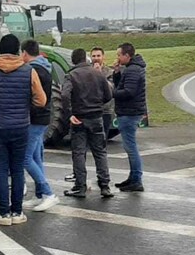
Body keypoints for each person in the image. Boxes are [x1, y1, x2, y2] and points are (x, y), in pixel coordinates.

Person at [0, 32, 46, 225]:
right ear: (17, 51)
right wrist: (25, 108)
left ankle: (3, 213)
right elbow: (41, 100)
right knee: (18, 170)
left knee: (1, 169)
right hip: (21, 126)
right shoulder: (29, 70)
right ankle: (17, 212)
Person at [61, 48, 114, 198]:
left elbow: (65, 94)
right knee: (100, 152)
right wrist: (98, 104)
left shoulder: (71, 75)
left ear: (73, 60)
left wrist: (70, 113)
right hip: (97, 116)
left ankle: (80, 186)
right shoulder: (98, 73)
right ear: (87, 59)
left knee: (79, 152)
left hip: (79, 117)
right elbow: (109, 95)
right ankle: (105, 185)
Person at [21, 39, 56, 212]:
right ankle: (39, 194)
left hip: (35, 118)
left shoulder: (33, 70)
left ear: (25, 53)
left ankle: (49, 193)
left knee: (25, 158)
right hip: (43, 117)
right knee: (35, 157)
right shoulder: (45, 67)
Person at [112, 42, 147, 193]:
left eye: (119, 55)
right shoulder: (131, 69)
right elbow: (123, 85)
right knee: (129, 146)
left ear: (127, 55)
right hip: (130, 111)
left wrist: (110, 93)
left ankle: (136, 180)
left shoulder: (133, 70)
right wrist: (117, 73)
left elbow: (128, 92)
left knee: (130, 147)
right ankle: (133, 178)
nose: (118, 58)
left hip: (130, 112)